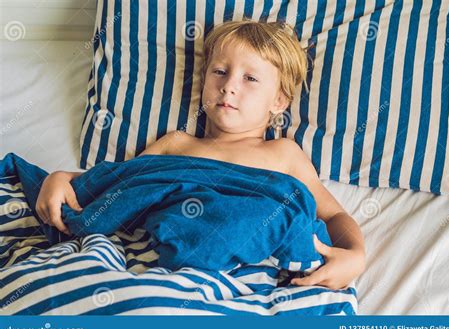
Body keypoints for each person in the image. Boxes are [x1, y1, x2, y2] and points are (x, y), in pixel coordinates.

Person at [36, 20, 366, 290]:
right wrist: (62, 179)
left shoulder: (283, 153)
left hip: (244, 268)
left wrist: (355, 255)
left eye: (250, 78)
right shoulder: (176, 145)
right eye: (220, 72)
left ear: (279, 101)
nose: (229, 86)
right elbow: (122, 187)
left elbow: (334, 216)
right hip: (161, 262)